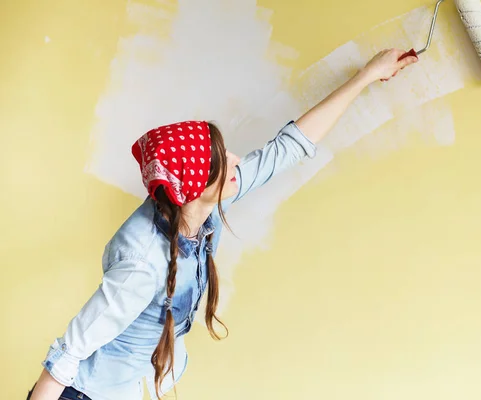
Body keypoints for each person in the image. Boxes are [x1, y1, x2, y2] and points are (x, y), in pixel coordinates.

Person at [28, 48, 418, 400]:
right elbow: (69, 352)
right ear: (197, 186)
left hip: (125, 386)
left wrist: (367, 75)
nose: (236, 161)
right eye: (222, 161)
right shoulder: (144, 259)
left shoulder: (194, 207)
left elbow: (287, 148)